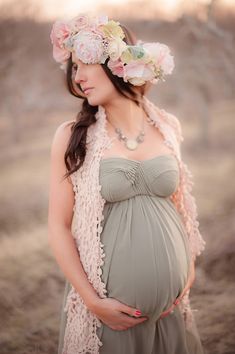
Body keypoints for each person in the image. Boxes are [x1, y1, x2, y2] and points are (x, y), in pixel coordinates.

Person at [48, 13, 206, 354]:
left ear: (118, 63)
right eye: (73, 68)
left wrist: (187, 271)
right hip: (110, 316)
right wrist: (93, 302)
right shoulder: (73, 137)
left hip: (171, 311)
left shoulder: (166, 126)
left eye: (84, 64)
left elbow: (180, 208)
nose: (78, 78)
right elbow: (58, 227)